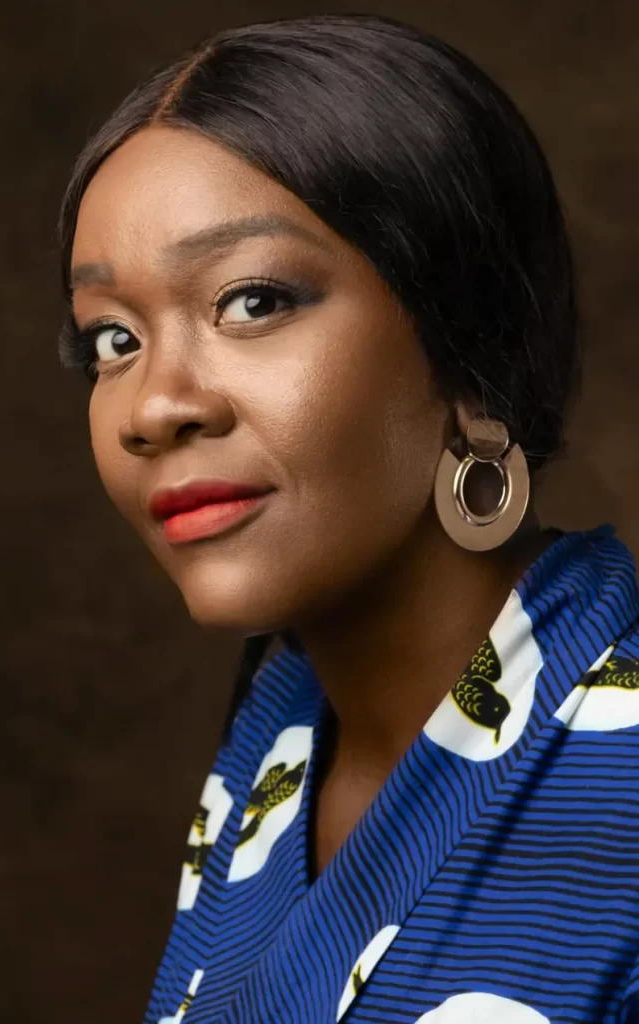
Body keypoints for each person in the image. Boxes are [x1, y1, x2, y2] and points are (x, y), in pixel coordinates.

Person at [57, 14, 639, 1023]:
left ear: (468, 352)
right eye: (112, 337)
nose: (153, 406)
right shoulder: (277, 743)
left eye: (251, 301)